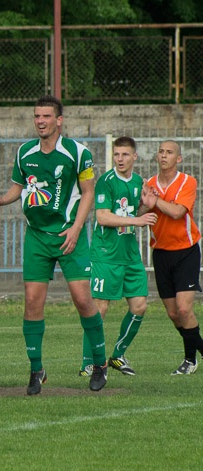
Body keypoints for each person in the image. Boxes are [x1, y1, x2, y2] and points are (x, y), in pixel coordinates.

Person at [0, 95, 108, 394]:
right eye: (37, 116)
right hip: (36, 236)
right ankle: (36, 369)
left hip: (68, 234)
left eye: (46, 116)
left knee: (82, 299)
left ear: (59, 120)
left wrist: (77, 229)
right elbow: (19, 186)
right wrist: (1, 200)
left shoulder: (78, 153)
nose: (40, 121)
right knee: (32, 303)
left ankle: (101, 363)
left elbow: (88, 192)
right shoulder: (25, 152)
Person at [79, 136, 156, 377]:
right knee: (99, 309)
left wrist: (146, 206)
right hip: (106, 255)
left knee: (140, 306)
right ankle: (88, 363)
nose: (120, 159)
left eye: (125, 155)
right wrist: (138, 219)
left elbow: (133, 212)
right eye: (116, 154)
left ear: (134, 157)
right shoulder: (106, 181)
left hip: (130, 255)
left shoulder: (137, 182)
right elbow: (103, 217)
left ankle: (118, 354)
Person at [140, 140, 203, 374]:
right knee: (174, 314)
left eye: (170, 152)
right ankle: (195, 357)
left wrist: (155, 201)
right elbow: (138, 213)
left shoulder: (188, 181)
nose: (164, 155)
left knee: (185, 309)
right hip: (161, 253)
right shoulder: (149, 185)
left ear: (179, 159)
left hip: (186, 251)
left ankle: (190, 359)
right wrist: (146, 205)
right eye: (161, 151)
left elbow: (177, 212)